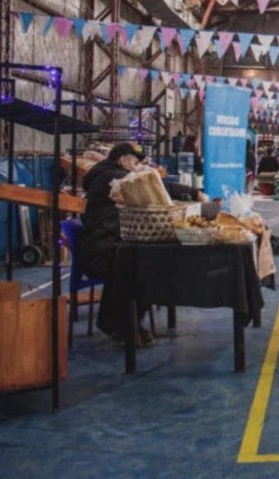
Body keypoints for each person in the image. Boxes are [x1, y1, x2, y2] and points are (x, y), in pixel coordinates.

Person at [80, 143, 206, 345]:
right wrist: (194, 193)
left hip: (109, 241)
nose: (138, 167)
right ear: (123, 160)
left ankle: (126, 321)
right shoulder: (114, 177)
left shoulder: (107, 173)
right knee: (144, 266)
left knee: (147, 262)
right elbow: (155, 186)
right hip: (102, 250)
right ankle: (123, 324)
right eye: (136, 162)